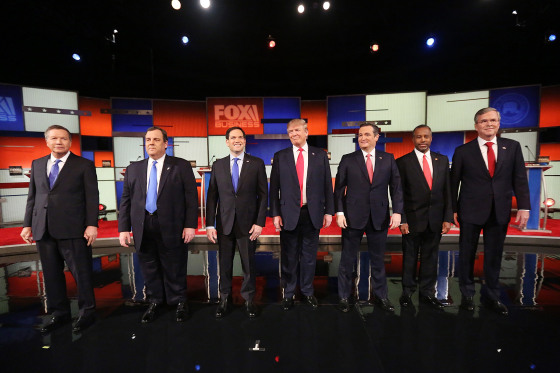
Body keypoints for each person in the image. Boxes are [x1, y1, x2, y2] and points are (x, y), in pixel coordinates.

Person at [451, 107, 530, 316]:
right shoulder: (463, 151)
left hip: (500, 210)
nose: (489, 124)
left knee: (494, 256)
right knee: (467, 254)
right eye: (484, 121)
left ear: (499, 123)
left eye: (493, 120)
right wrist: (452, 209)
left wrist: (524, 206)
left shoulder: (512, 147)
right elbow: (453, 184)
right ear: (476, 125)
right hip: (470, 210)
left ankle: (492, 296)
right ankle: (467, 294)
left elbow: (520, 179)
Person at [21, 125, 99, 333]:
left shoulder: (83, 165)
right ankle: (59, 313)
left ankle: (87, 312)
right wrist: (27, 224)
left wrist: (92, 224)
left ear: (70, 142)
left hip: (74, 228)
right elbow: (33, 197)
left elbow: (92, 197)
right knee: (51, 275)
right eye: (54, 138)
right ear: (46, 141)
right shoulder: (37, 164)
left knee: (81, 274)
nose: (59, 142)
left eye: (63, 138)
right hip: (43, 228)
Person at [118, 126, 198, 323]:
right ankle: (155, 301)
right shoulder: (134, 168)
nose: (150, 143)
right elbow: (126, 200)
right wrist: (123, 228)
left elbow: (191, 198)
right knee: (149, 266)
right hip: (143, 225)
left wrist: (190, 225)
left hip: (172, 225)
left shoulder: (180, 166)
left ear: (165, 143)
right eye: (147, 140)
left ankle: (179, 301)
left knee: (175, 265)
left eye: (155, 139)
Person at [334, 122, 403, 313]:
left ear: (376, 137)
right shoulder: (348, 159)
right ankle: (343, 296)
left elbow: (396, 188)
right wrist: (339, 213)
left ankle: (381, 296)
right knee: (347, 260)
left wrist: (397, 212)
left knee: (378, 260)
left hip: (379, 216)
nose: (362, 138)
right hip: (351, 216)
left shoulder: (388, 159)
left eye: (366, 134)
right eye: (360, 135)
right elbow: (339, 189)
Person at [270, 119, 335, 310]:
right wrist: (275, 214)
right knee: (289, 256)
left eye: (297, 130)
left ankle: (307, 291)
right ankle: (288, 293)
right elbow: (274, 188)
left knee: (309, 256)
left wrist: (329, 211)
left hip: (312, 213)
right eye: (290, 131)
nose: (293, 134)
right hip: (288, 213)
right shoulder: (280, 156)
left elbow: (327, 186)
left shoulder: (319, 155)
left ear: (306, 132)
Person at [206, 126, 268, 318]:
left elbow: (263, 195)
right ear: (227, 142)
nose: (237, 140)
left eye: (240, 137)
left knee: (248, 264)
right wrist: (209, 225)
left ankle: (249, 299)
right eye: (233, 137)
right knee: (224, 264)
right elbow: (212, 197)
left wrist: (259, 223)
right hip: (224, 224)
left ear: (245, 140)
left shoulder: (256, 163)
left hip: (248, 225)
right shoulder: (218, 165)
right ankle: (224, 299)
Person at [396, 124, 453, 310]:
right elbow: (399, 194)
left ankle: (427, 292)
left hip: (435, 219)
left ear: (431, 138)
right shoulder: (403, 162)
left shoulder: (442, 160)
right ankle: (407, 291)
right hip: (412, 219)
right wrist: (402, 218)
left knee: (431, 256)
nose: (423, 140)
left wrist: (448, 217)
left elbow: (447, 192)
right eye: (419, 137)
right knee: (410, 256)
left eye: (426, 137)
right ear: (413, 139)